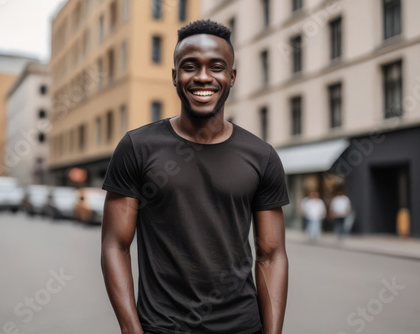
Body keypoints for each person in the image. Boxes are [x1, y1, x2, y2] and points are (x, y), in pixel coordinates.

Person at [101, 20, 290, 334]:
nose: (203, 77)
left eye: (216, 67)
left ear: (232, 76)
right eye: (190, 66)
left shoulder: (261, 156)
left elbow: (271, 255)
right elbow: (114, 246)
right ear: (175, 76)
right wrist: (132, 330)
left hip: (242, 327)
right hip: (163, 327)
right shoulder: (137, 148)